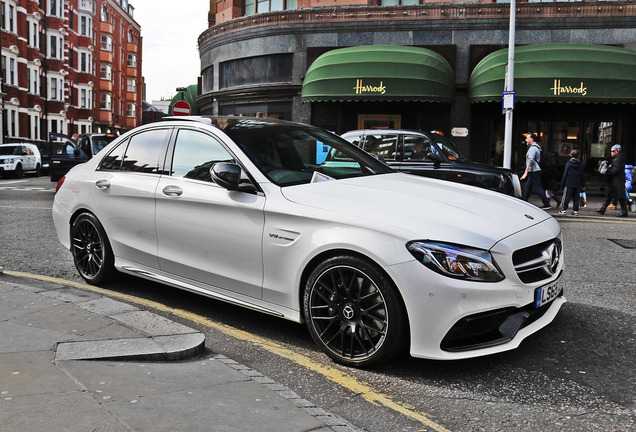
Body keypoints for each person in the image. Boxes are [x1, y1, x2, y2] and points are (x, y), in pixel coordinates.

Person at [520, 133, 551, 209]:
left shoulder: (533, 148)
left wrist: (525, 173)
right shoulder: (535, 147)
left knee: (538, 188)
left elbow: (531, 161)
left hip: (534, 171)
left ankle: (546, 204)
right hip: (533, 171)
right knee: (528, 187)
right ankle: (524, 201)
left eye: (527, 138)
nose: (526, 139)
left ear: (532, 139)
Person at [597, 144, 628, 217]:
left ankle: (624, 211)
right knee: (610, 195)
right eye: (611, 151)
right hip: (615, 181)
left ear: (617, 151)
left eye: (613, 151)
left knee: (620, 197)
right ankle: (603, 209)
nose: (612, 153)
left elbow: (615, 170)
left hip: (617, 181)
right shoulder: (617, 158)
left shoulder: (618, 159)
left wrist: (608, 170)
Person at [558, 149, 585, 216]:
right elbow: (582, 175)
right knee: (576, 198)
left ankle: (563, 210)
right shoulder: (580, 165)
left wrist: (563, 183)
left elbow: (565, 174)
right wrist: (583, 184)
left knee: (566, 197)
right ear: (579, 156)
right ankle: (575, 211)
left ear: (571, 155)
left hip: (569, 183)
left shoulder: (569, 164)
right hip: (577, 184)